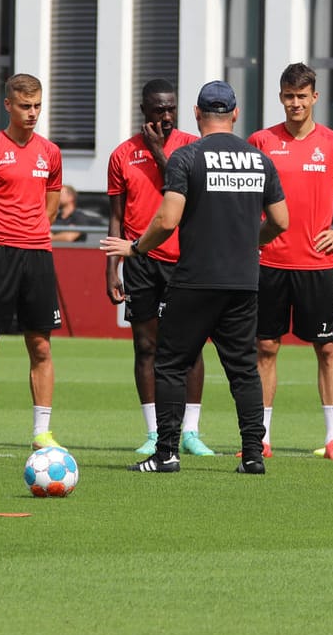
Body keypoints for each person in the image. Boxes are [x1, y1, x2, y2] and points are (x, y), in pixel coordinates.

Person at [106, 81, 289, 474]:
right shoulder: (259, 159)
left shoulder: (187, 157)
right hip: (243, 280)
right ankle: (253, 455)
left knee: (170, 363)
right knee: (243, 368)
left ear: (195, 113)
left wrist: (136, 248)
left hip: (194, 279)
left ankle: (166, 453)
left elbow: (167, 219)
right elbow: (281, 221)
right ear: (235, 114)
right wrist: (248, 242)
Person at [247, 63, 333, 459]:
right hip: (270, 262)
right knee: (266, 348)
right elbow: (246, 194)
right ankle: (261, 438)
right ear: (281, 97)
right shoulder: (261, 141)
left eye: (303, 96)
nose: (296, 104)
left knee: (326, 349)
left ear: (315, 98)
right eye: (289, 96)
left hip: (318, 266)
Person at [105, 79, 212, 457]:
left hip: (186, 261)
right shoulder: (121, 156)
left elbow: (193, 194)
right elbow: (116, 218)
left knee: (191, 347)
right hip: (140, 260)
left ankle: (191, 432)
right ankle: (153, 432)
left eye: (171, 109)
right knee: (146, 346)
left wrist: (157, 152)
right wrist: (112, 267)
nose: (166, 117)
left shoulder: (191, 147)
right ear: (144, 111)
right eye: (158, 110)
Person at [0, 73, 65, 453]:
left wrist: (31, 230)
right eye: (25, 106)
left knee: (40, 345)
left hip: (38, 253)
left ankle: (41, 431)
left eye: (37, 105)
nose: (33, 113)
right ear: (8, 105)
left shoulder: (50, 152)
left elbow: (51, 204)